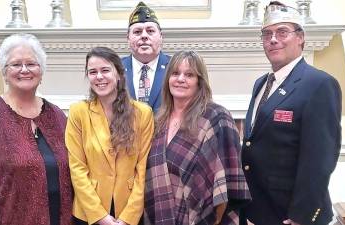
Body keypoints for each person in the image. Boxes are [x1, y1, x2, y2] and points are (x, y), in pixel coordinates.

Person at [241, 1, 342, 225]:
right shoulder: (261, 83)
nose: (273, 39)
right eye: (267, 34)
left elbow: (320, 158)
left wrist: (302, 216)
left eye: (282, 32)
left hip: (292, 215)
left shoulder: (319, 83)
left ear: (301, 37)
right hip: (260, 210)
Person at [0, 33, 73, 225]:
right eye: (16, 64)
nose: (24, 70)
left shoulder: (56, 115)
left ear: (41, 70)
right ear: (4, 71)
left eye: (31, 64)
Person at [144, 50, 251, 225]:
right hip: (159, 215)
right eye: (175, 73)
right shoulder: (158, 121)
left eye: (189, 75)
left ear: (199, 82)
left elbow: (227, 184)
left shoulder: (216, 117)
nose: (180, 79)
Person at [66, 47, 154, 225]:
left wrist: (127, 218)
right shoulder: (78, 112)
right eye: (93, 72)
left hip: (129, 211)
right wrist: (100, 217)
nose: (99, 76)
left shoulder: (142, 113)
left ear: (119, 74)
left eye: (105, 70)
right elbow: (77, 169)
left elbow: (143, 169)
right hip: (88, 213)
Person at [122, 1, 171, 113]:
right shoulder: (115, 68)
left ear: (161, 36)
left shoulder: (175, 67)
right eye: (137, 32)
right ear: (128, 38)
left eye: (150, 31)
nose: (144, 36)